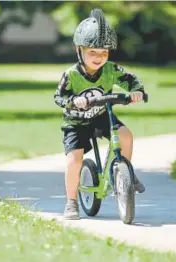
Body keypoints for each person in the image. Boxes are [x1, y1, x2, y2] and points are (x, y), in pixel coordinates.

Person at [53, 8, 146, 220]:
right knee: (74, 160)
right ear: (79, 50)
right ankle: (71, 202)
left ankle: (125, 176)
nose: (98, 58)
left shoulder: (111, 70)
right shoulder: (71, 75)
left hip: (103, 115)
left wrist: (137, 92)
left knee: (126, 136)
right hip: (76, 121)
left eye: (103, 53)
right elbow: (58, 98)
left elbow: (131, 80)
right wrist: (73, 101)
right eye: (92, 53)